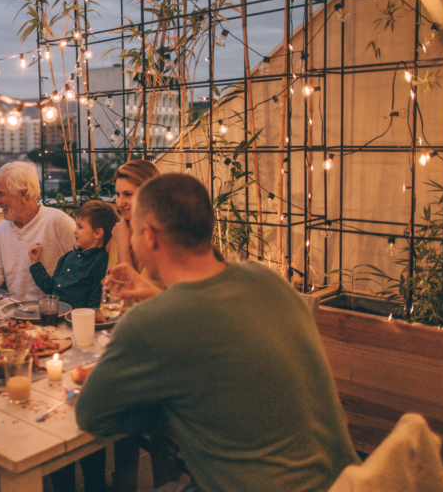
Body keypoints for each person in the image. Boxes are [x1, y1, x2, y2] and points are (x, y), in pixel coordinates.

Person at [76, 174, 359, 492]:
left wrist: (164, 408)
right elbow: (215, 327)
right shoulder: (267, 280)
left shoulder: (148, 323)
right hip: (349, 482)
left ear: (150, 237)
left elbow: (91, 416)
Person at [0, 162, 75, 299]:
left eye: (1, 194)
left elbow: (82, 268)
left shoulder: (59, 222)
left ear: (23, 193)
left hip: (52, 312)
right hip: (15, 314)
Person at [29, 200, 118, 309]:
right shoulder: (67, 257)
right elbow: (51, 287)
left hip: (76, 320)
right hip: (54, 315)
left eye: (80, 227)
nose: (74, 231)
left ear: (98, 233)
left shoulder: (100, 260)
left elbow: (96, 299)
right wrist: (35, 262)